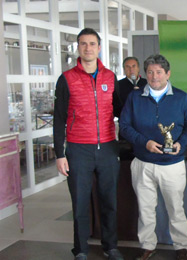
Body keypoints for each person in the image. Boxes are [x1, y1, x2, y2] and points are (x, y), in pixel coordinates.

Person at [53, 28, 124, 260]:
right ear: (78, 48)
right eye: (83, 44)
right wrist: (59, 154)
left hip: (107, 146)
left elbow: (121, 111)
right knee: (80, 203)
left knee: (109, 201)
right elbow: (59, 118)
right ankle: (81, 249)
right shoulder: (66, 78)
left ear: (99, 47)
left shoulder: (110, 77)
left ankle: (110, 246)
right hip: (78, 149)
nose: (88, 48)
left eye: (92, 43)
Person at [119, 54, 187, 260]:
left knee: (176, 208)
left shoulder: (181, 97)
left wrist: (181, 143)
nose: (154, 76)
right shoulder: (135, 97)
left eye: (159, 72)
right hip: (143, 163)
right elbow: (125, 126)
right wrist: (145, 142)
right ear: (145, 74)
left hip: (172, 164)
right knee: (145, 209)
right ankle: (147, 246)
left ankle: (181, 247)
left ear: (168, 74)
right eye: (150, 72)